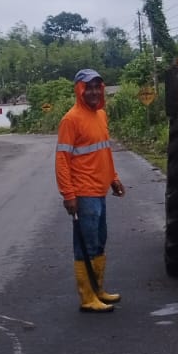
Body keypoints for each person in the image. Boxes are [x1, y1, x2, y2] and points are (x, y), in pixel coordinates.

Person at [56, 68, 125, 312]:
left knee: (99, 241)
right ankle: (87, 298)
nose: (94, 92)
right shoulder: (71, 120)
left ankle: (98, 290)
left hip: (99, 191)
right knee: (86, 244)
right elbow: (62, 160)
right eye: (89, 87)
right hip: (83, 193)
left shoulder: (101, 115)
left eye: (98, 87)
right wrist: (68, 195)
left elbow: (104, 152)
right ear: (80, 90)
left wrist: (113, 178)